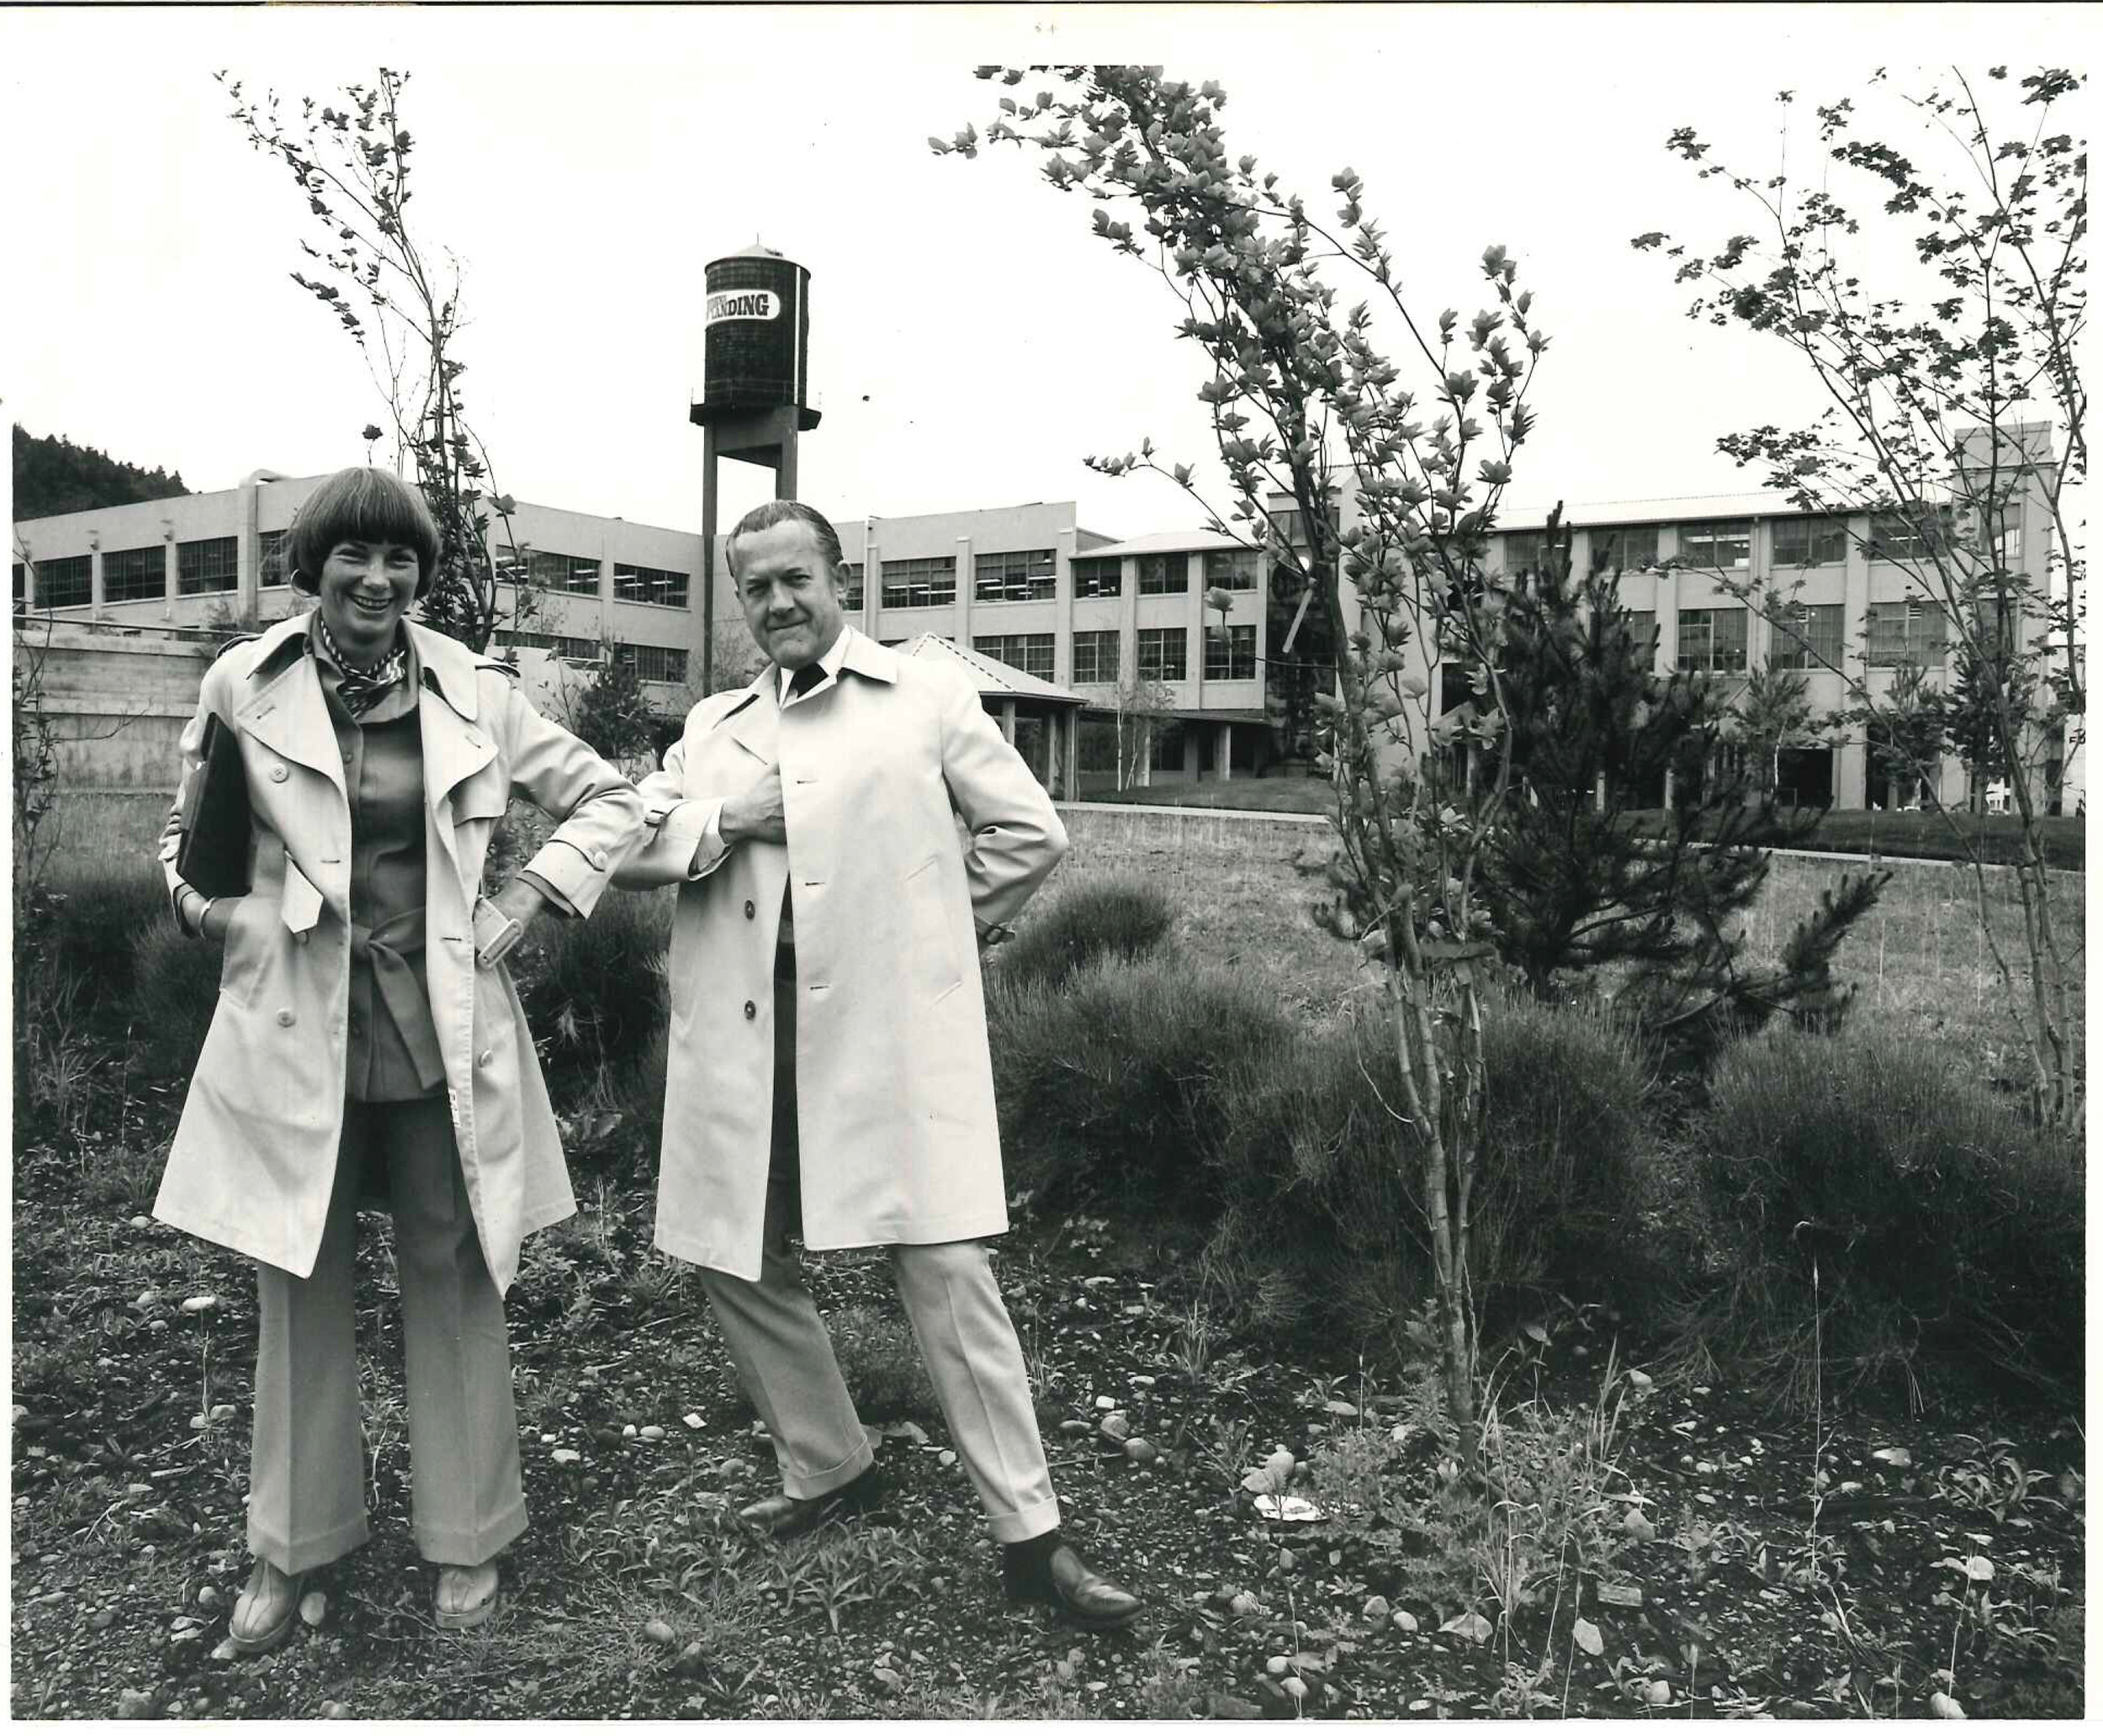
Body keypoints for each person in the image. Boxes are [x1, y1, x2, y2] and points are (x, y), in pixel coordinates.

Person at [616, 500, 1142, 1630]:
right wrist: (729, 816)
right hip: (751, 1043)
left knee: (947, 1270)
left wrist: (933, 941)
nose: (776, 603)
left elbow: (1027, 834)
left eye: (794, 578)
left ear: (838, 578)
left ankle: (1033, 1535)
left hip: (885, 1038)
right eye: (753, 587)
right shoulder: (714, 726)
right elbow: (628, 842)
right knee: (730, 1252)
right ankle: (829, 1462)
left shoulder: (924, 696)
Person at [153, 467, 645, 1654]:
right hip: (293, 1030)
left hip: (437, 1029)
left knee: (458, 1271)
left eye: (401, 561)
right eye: (352, 559)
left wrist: (530, 895)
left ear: (423, 574)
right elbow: (184, 846)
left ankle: (470, 1544)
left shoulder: (475, 688)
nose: (378, 581)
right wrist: (222, 920)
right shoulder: (244, 682)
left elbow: (612, 803)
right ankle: (291, 1549)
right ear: (312, 569)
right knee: (297, 1280)